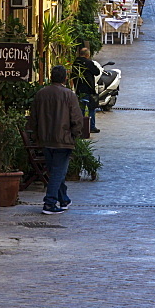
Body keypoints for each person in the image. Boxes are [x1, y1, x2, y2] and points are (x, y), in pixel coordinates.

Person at [27, 65, 83, 215]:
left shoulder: (41, 94)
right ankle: (50, 203)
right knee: (58, 171)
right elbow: (77, 118)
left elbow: (34, 117)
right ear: (65, 78)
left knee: (55, 170)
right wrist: (74, 135)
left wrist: (36, 135)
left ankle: (63, 199)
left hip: (45, 139)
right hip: (62, 140)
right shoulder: (69, 95)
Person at [71, 47, 100, 134]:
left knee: (81, 109)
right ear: (87, 55)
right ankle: (91, 126)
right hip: (89, 89)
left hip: (79, 89)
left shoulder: (75, 63)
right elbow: (97, 72)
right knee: (91, 108)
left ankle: (81, 127)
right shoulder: (88, 62)